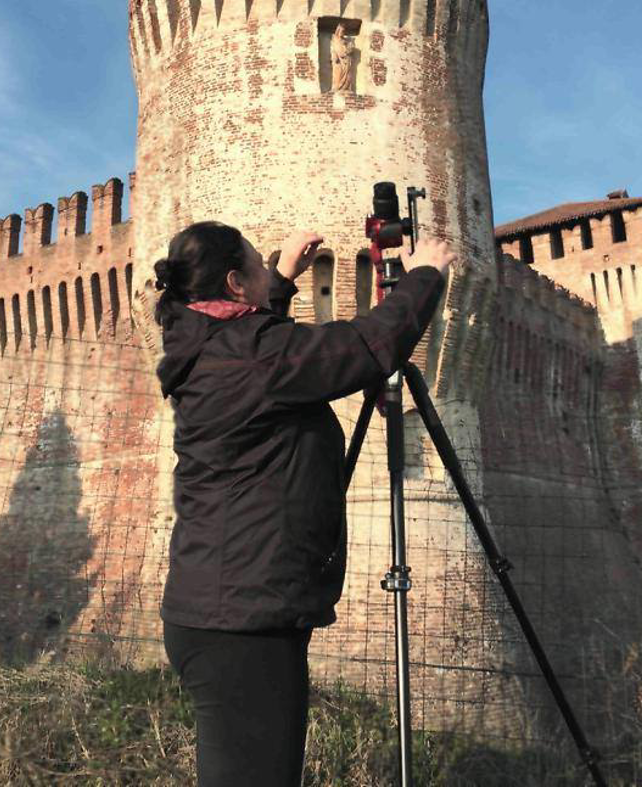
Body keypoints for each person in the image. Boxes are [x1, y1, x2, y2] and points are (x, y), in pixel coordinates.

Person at [154, 221, 456, 786]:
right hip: (243, 622)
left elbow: (263, 347)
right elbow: (364, 346)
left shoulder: (204, 342)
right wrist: (424, 277)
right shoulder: (254, 356)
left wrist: (282, 279)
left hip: (226, 607)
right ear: (235, 284)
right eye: (257, 264)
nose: (266, 267)